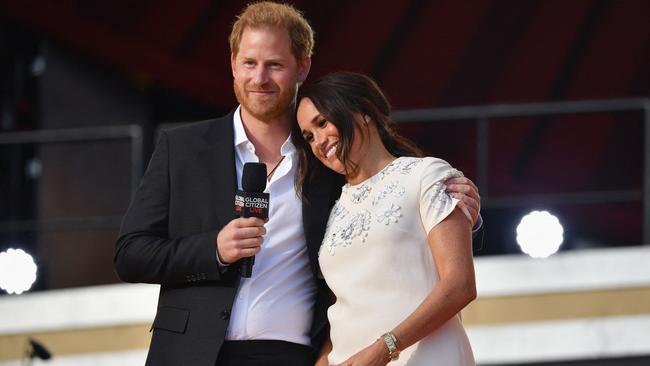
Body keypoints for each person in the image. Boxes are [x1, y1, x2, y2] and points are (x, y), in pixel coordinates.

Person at [114, 2, 481, 366]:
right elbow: (130, 255)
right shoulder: (181, 149)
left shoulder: (328, 156)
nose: (259, 78)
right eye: (249, 63)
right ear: (232, 64)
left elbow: (390, 190)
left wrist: (460, 206)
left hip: (291, 356)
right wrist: (213, 250)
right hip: (189, 354)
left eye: (274, 65)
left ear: (301, 67)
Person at [294, 71, 476, 366]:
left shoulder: (426, 175)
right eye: (309, 137)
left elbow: (460, 285)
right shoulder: (332, 209)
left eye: (322, 122)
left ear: (364, 113)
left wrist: (385, 348)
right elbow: (345, 307)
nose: (317, 142)